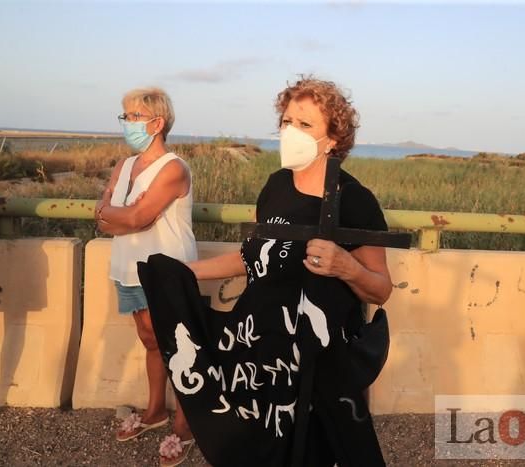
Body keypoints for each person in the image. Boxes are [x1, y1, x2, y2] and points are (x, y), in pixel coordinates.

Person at [137, 77, 392, 466]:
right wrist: (184, 274)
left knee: (316, 452)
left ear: (334, 138)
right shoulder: (275, 186)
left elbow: (380, 289)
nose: (291, 132)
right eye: (287, 122)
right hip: (259, 356)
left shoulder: (354, 200)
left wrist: (346, 266)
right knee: (260, 450)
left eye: (305, 125)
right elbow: (254, 257)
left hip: (318, 365)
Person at [94, 87, 197, 467]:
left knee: (176, 347)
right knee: (149, 339)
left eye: (134, 117)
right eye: (126, 116)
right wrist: (117, 213)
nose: (128, 124)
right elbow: (104, 213)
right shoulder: (124, 165)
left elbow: (137, 217)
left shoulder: (173, 168)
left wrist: (118, 214)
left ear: (157, 122)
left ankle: (185, 424)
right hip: (128, 267)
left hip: (164, 269)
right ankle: (155, 411)